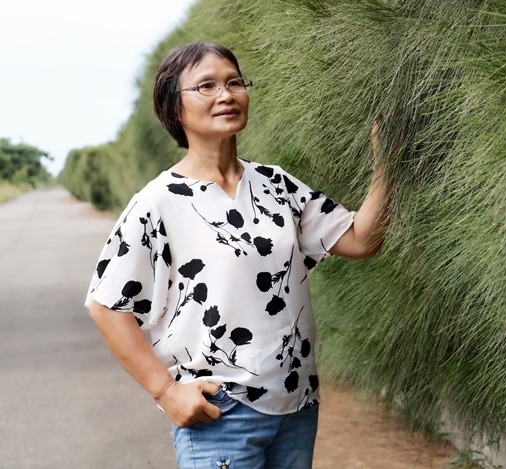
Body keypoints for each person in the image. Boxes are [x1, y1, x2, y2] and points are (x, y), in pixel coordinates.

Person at [86, 41, 393, 469]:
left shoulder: (275, 184)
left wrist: (388, 161)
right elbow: (106, 306)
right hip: (222, 413)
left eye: (234, 82)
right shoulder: (159, 203)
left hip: (297, 404)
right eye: (206, 86)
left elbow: (361, 239)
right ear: (174, 109)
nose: (226, 95)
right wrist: (166, 391)